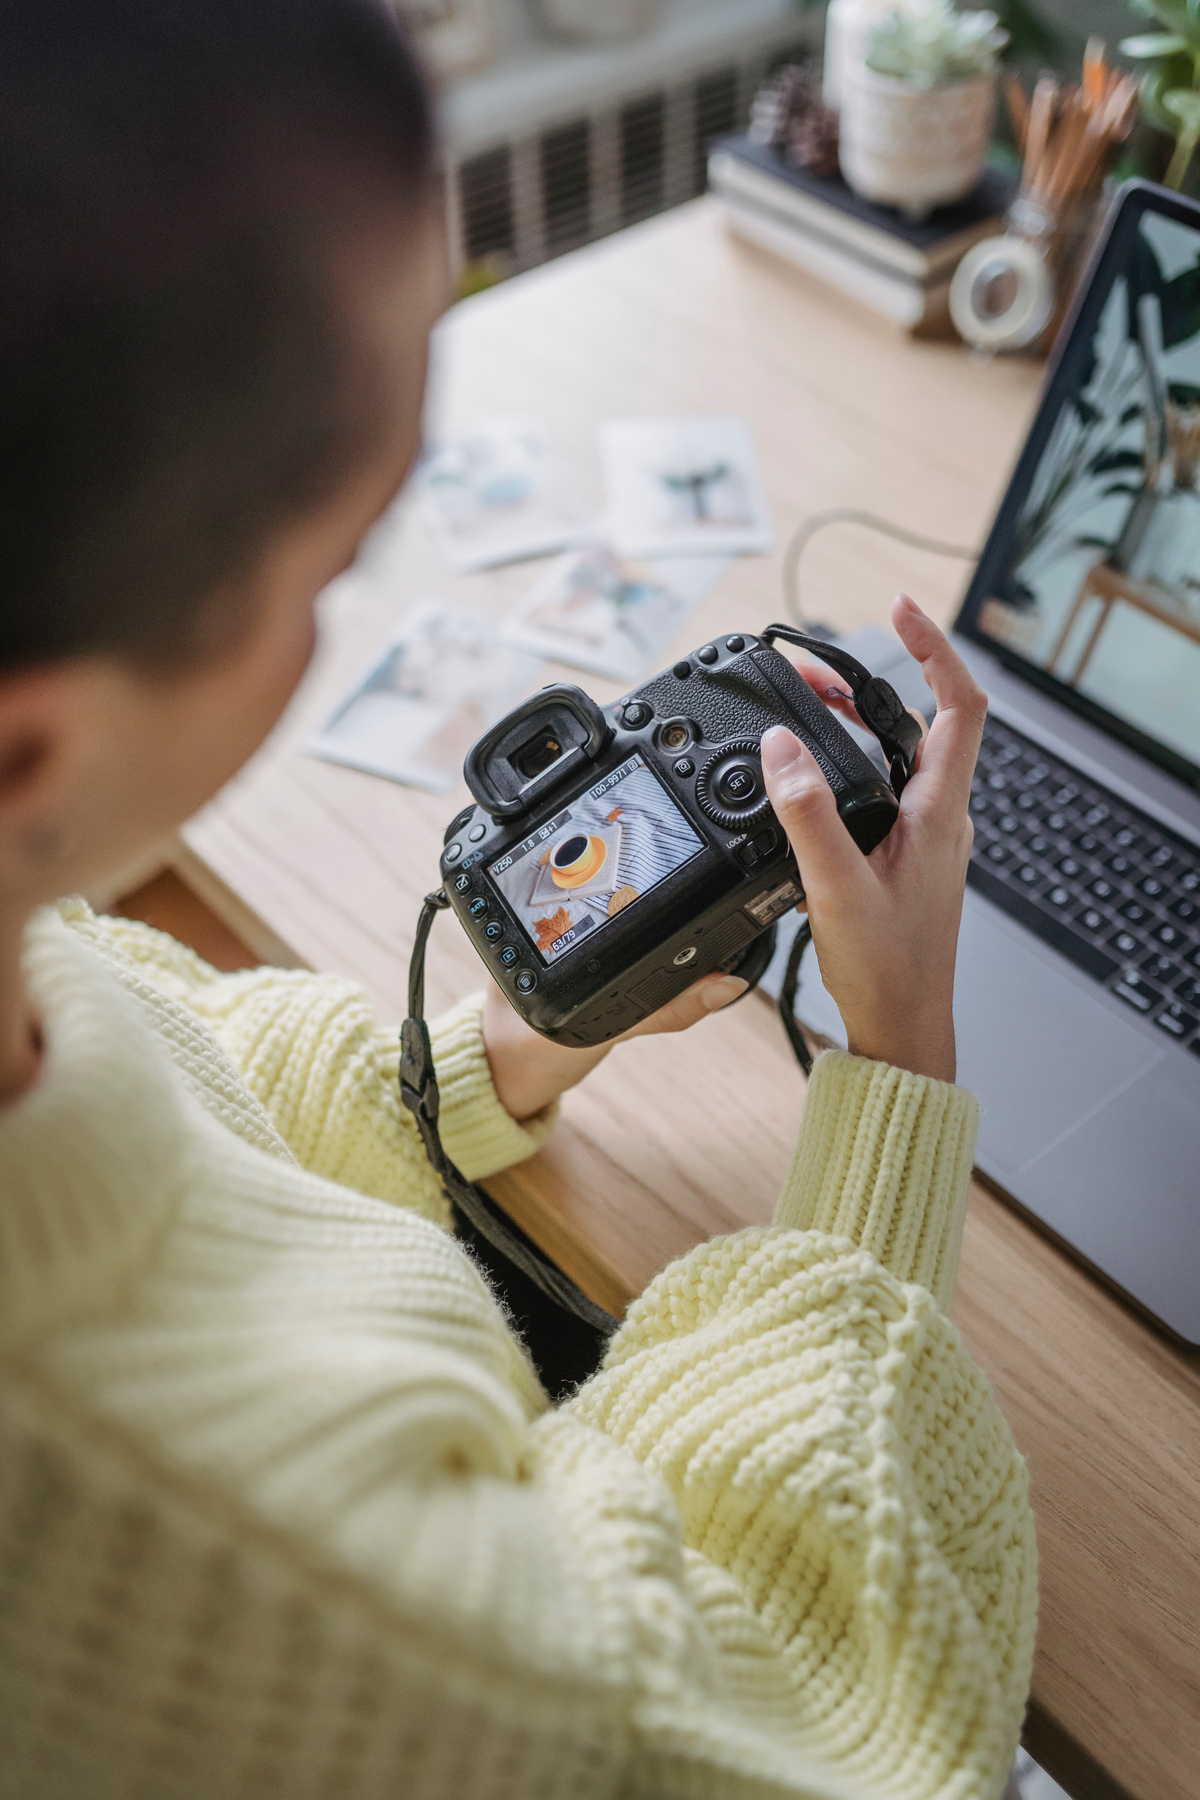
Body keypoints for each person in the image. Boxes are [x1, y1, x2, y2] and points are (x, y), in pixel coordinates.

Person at [0, 3, 1037, 1796]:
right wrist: (902, 1064)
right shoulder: (226, 1555)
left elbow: (186, 1086)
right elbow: (806, 1703)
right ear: (28, 757)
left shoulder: (36, 949)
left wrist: (517, 1040)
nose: (343, 606)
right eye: (332, 564)